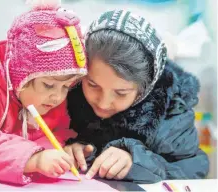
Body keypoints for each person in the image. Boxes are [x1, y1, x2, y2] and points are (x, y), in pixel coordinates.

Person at [64, 10, 209, 183]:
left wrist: (137, 161)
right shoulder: (67, 91)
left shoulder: (171, 108)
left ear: (145, 87)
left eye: (121, 93)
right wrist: (71, 148)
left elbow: (193, 169)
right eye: (92, 85)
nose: (103, 102)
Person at [0, 0, 87, 185]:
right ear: (20, 76)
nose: (58, 97)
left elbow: (59, 133)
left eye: (66, 86)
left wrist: (61, 152)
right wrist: (33, 159)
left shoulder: (52, 104)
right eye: (49, 85)